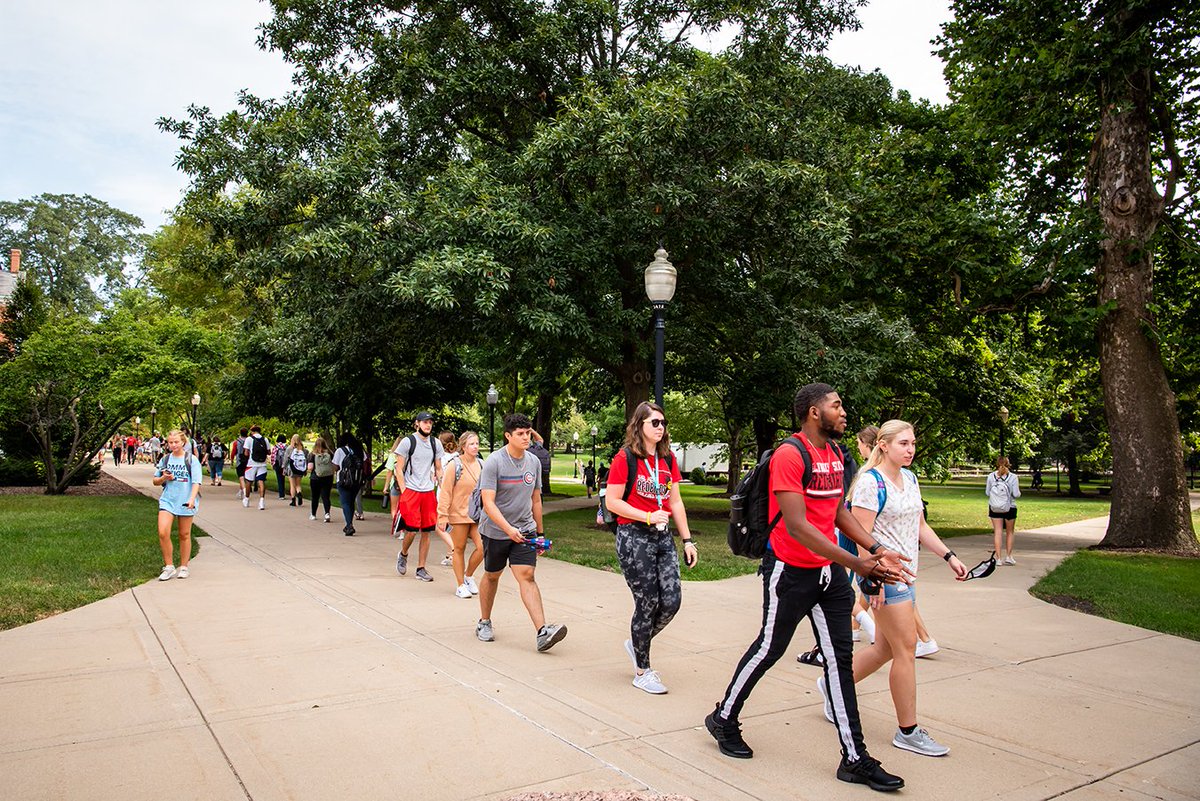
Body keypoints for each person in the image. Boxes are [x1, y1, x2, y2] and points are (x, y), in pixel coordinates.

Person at [704, 383, 910, 793]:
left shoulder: (835, 454)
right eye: (836, 406)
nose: (844, 411)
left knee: (839, 660)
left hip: (829, 574)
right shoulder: (789, 454)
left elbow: (837, 512)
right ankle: (724, 717)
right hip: (790, 570)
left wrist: (876, 548)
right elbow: (796, 525)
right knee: (770, 647)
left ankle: (855, 758)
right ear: (814, 413)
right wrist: (856, 562)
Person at [837, 420, 968, 757]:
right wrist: (873, 579)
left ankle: (834, 684)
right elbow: (861, 536)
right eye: (903, 444)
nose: (910, 450)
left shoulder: (909, 478)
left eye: (912, 444)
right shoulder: (870, 482)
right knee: (906, 650)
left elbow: (920, 525)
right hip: (886, 579)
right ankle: (907, 731)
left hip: (908, 575)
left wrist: (948, 555)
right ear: (883, 445)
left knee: (885, 649)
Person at [603, 402, 698, 695]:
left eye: (663, 423)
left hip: (662, 537)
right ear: (639, 425)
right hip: (634, 536)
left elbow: (675, 502)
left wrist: (687, 539)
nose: (660, 427)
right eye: (654, 422)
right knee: (648, 601)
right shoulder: (626, 458)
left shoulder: (667, 461)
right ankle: (642, 670)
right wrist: (645, 516)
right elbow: (612, 502)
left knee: (671, 601)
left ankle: (637, 642)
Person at [475, 413, 567, 652]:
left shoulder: (533, 462)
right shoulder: (495, 462)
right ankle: (484, 621)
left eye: (528, 433)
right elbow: (488, 502)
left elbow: (536, 500)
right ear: (508, 436)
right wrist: (508, 529)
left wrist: (539, 534)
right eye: (520, 434)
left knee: (527, 575)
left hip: (525, 529)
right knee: (492, 576)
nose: (526, 437)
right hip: (495, 531)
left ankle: (542, 632)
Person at [394, 413, 445, 580]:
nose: (428, 425)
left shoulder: (435, 443)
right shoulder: (408, 442)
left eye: (430, 422)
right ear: (417, 424)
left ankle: (421, 568)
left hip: (428, 491)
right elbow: (398, 469)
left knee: (427, 531)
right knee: (411, 531)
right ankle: (403, 553)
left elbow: (438, 467)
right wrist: (404, 491)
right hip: (411, 490)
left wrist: (441, 483)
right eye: (425, 422)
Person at [437, 430, 485, 599]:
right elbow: (446, 491)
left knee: (483, 547)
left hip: (476, 515)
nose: (475, 446)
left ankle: (468, 575)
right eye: (471, 444)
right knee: (459, 549)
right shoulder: (454, 465)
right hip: (457, 514)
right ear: (463, 446)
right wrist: (442, 515)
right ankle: (460, 585)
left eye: (477, 443)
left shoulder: (481, 464)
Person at [152, 430, 203, 581]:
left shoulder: (191, 459)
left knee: (184, 534)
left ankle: (184, 566)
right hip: (168, 500)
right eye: (170, 442)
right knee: (163, 532)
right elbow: (155, 481)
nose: (173, 445)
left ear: (183, 443)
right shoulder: (166, 459)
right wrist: (163, 478)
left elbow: (196, 482)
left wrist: (192, 499)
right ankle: (169, 566)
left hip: (186, 500)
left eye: (176, 442)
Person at [987, 457, 1021, 564]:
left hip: (994, 507)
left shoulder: (991, 476)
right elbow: (1016, 494)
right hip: (1010, 507)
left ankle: (998, 558)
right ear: (1009, 464)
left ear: (997, 464)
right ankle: (1009, 556)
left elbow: (988, 493)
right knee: (1010, 532)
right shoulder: (1013, 477)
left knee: (998, 531)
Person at [332, 432, 365, 534]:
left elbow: (336, 466)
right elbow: (364, 463)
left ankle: (349, 525)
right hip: (356, 481)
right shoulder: (359, 450)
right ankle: (349, 524)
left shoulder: (340, 451)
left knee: (345, 502)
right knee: (351, 502)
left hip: (343, 480)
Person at [436, 431, 459, 565]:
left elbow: (435, 476)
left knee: (440, 526)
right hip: (457, 495)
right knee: (452, 526)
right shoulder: (458, 457)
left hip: (444, 495)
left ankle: (454, 550)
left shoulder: (440, 458)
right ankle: (450, 555)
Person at [242, 425, 270, 510]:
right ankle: (261, 502)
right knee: (261, 482)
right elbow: (269, 452)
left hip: (251, 464)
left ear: (252, 431)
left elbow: (246, 453)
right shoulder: (265, 439)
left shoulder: (249, 439)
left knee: (248, 481)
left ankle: (246, 499)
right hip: (262, 464)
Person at [308, 436, 334, 523]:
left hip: (315, 478)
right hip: (328, 478)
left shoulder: (312, 454)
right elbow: (334, 466)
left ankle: (313, 514)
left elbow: (310, 467)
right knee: (326, 496)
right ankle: (327, 513)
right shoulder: (330, 454)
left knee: (315, 497)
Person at [529, 430, 552, 497]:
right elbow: (540, 439)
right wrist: (531, 430)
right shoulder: (538, 448)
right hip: (537, 489)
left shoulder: (525, 450)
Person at [286, 434, 307, 507]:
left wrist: (284, 468)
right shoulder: (303, 449)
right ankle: (299, 493)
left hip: (291, 469)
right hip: (300, 469)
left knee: (292, 485)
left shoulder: (290, 448)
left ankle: (293, 500)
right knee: (298, 484)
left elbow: (286, 459)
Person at [233, 427, 249, 500]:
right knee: (245, 477)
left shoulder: (236, 442)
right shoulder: (250, 440)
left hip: (240, 460)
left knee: (241, 477)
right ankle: (241, 491)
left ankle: (245, 492)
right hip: (248, 460)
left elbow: (233, 451)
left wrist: (232, 458)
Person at [271, 436, 288, 500]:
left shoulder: (276, 447)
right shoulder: (287, 447)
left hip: (278, 465)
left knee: (279, 479)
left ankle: (281, 495)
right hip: (285, 465)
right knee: (284, 478)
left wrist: (273, 464)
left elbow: (273, 456)